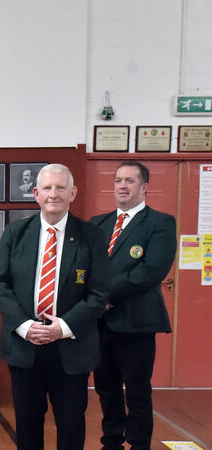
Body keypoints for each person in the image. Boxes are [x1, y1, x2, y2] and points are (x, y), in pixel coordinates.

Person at [0, 163, 109, 450]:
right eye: (47, 188)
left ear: (73, 193)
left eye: (60, 188)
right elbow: (0, 283)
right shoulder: (16, 232)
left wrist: (63, 327)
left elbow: (99, 292)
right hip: (25, 346)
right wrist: (24, 326)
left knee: (71, 426)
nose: (53, 194)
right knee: (28, 425)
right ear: (36, 194)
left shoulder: (91, 236)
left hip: (71, 347)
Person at [90, 161, 176, 450]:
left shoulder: (160, 223)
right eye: (118, 180)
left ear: (144, 187)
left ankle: (139, 445)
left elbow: (151, 271)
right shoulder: (98, 224)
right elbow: (85, 266)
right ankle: (111, 442)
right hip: (100, 324)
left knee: (137, 392)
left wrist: (105, 296)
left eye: (130, 180)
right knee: (106, 389)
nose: (122, 186)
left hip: (136, 322)